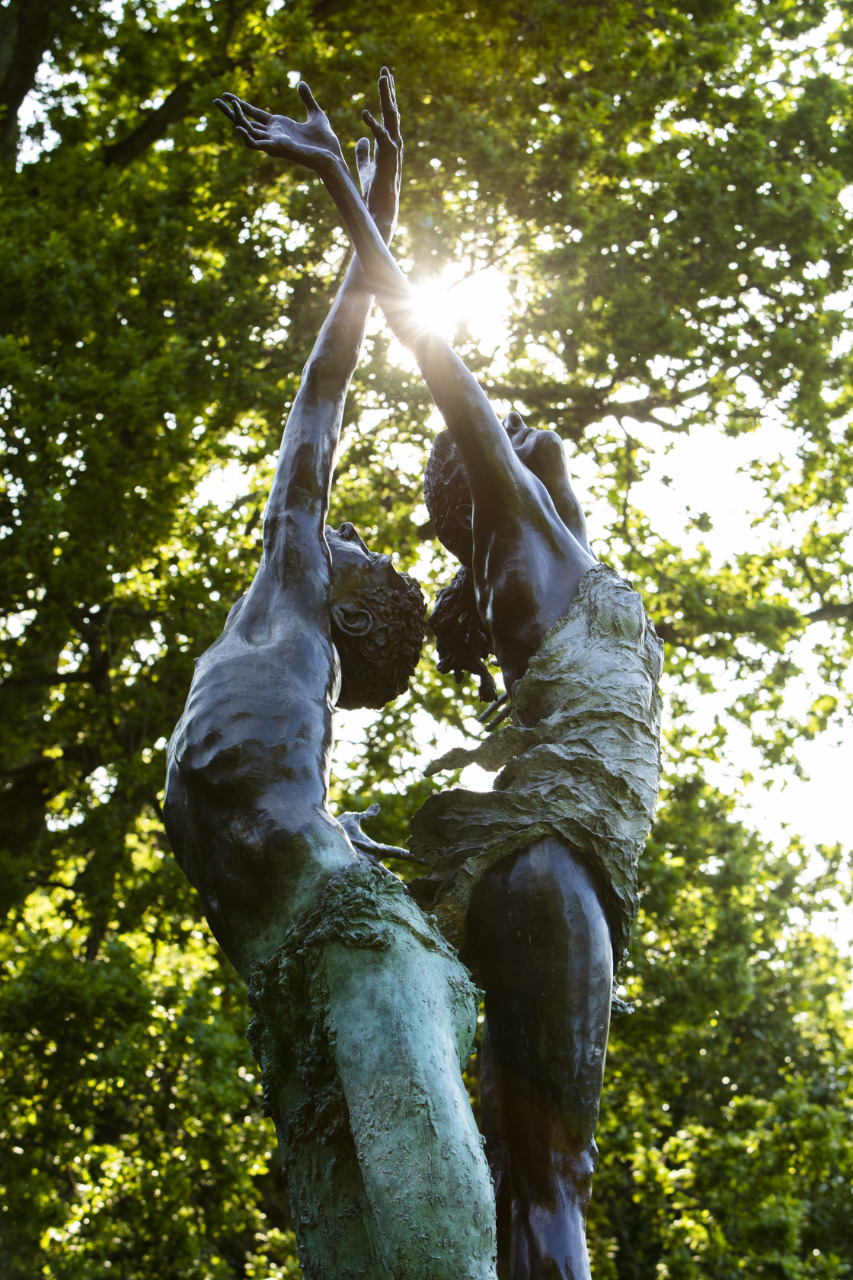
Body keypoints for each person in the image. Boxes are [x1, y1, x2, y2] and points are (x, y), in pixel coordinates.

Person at [219, 72, 663, 1280]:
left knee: (530, 1171)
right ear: (480, 494)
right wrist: (358, 197)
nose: (522, 427)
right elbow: (438, 356)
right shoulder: (524, 540)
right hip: (549, 858)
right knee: (552, 1176)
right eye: (499, 437)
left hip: (552, 861)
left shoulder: (558, 566)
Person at [164, 71, 497, 1280]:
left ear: (353, 601)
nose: (333, 527)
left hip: (346, 929)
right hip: (287, 975)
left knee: (424, 1201)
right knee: (349, 1234)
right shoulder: (265, 641)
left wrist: (358, 195)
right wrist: (379, 188)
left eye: (356, 546)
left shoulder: (293, 597)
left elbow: (325, 395)